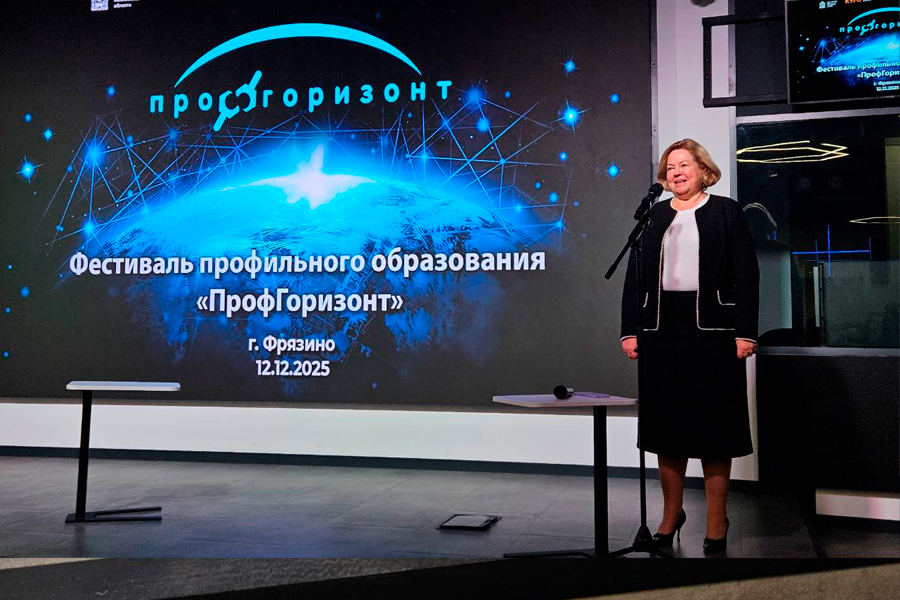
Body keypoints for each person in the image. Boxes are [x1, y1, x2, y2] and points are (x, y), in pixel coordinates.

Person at [619, 139, 759, 554]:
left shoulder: (726, 211)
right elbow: (633, 278)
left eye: (684, 165)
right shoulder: (654, 216)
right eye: (670, 167)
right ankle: (671, 515)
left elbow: (747, 274)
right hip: (661, 331)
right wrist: (630, 330)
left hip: (714, 331)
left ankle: (717, 520)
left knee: (716, 429)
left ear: (703, 170)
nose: (677, 172)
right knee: (666, 429)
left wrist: (745, 331)